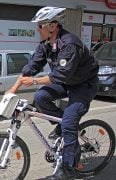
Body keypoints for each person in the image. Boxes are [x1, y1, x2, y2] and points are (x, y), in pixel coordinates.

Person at [6, 7, 98, 180]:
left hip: (84, 85)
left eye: (40, 26)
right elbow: (31, 66)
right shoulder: (46, 44)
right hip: (67, 82)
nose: (37, 29)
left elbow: (60, 75)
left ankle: (68, 169)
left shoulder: (70, 44)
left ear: (53, 26)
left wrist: (33, 81)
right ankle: (61, 127)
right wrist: (13, 89)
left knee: (69, 122)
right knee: (41, 97)